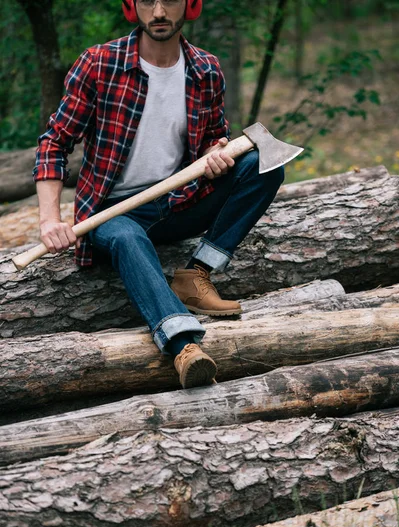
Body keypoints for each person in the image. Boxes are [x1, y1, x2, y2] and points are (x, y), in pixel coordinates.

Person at [34, 0, 285, 389]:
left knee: (262, 165)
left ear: (191, 5)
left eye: (169, 0)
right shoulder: (100, 64)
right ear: (132, 6)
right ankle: (185, 346)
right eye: (148, 0)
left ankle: (197, 273)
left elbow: (208, 140)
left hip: (177, 202)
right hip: (111, 214)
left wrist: (212, 155)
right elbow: (54, 143)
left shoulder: (206, 69)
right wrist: (50, 219)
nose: (160, 11)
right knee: (127, 236)